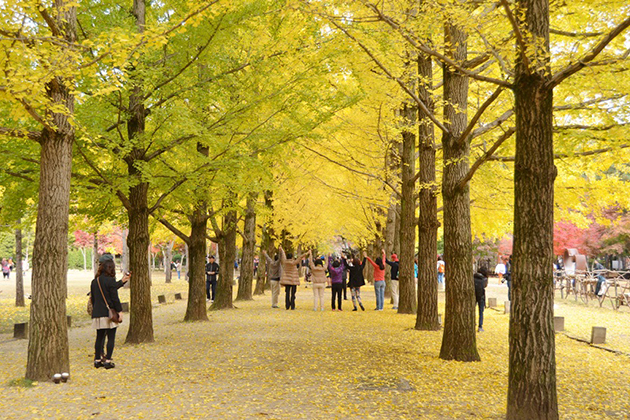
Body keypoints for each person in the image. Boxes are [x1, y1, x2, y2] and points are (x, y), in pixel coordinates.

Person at [91, 253, 129, 369]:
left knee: (99, 337)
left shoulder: (95, 281)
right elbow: (114, 298)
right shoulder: (110, 280)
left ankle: (97, 360)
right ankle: (107, 361)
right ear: (110, 267)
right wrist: (120, 312)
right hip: (109, 314)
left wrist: (122, 282)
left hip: (98, 313)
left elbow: (95, 297)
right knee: (111, 338)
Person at [279, 245, 306, 310]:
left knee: (287, 293)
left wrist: (281, 249)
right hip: (293, 280)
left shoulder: (285, 262)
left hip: (287, 280)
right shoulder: (294, 262)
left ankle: (287, 305)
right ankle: (292, 305)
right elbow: (300, 257)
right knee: (293, 293)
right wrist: (306, 253)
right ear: (292, 257)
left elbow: (283, 256)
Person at [474, 267, 489, 332]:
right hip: (481, 296)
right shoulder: (484, 279)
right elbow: (485, 286)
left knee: (472, 310)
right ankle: (480, 326)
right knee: (481, 311)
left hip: (473, 295)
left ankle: (472, 323)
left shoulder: (473, 277)